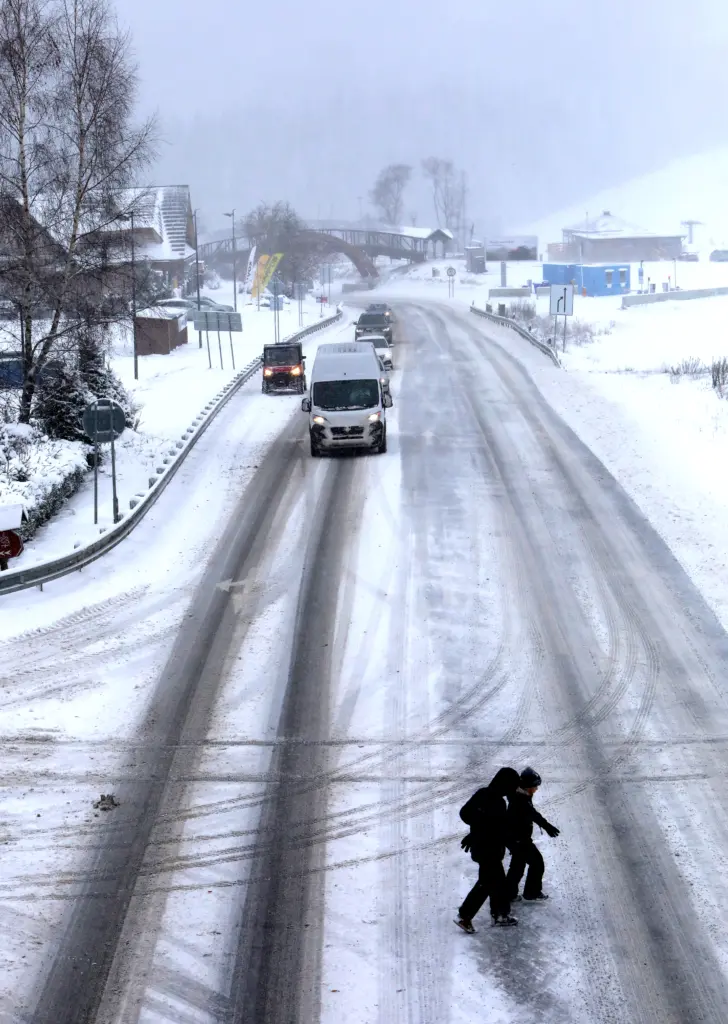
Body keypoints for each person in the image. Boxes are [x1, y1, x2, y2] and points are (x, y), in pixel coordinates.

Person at [455, 767, 520, 932]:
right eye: (512, 785)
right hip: (489, 850)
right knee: (487, 884)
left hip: (480, 848)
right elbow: (498, 829)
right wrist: (513, 845)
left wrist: (475, 830)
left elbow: (465, 813)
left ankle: (500, 914)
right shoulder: (498, 802)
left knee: (496, 883)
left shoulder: (482, 793)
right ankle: (465, 916)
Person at [505, 767, 560, 902]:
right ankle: (531, 892)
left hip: (515, 838)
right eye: (535, 786)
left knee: (518, 866)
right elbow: (532, 814)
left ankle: (509, 893)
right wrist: (547, 826)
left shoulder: (520, 794)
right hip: (519, 839)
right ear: (528, 786)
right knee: (537, 863)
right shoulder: (521, 799)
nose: (536, 789)